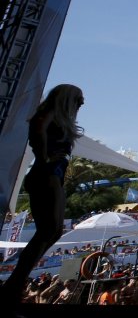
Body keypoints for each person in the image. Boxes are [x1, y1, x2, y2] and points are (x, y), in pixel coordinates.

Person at [0, 84, 85, 305]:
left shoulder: (57, 118)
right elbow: (37, 128)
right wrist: (44, 155)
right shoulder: (48, 113)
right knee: (47, 232)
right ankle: (12, 289)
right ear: (65, 98)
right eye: (78, 99)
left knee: (53, 232)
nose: (81, 103)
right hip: (47, 175)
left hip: (52, 175)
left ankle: (13, 287)